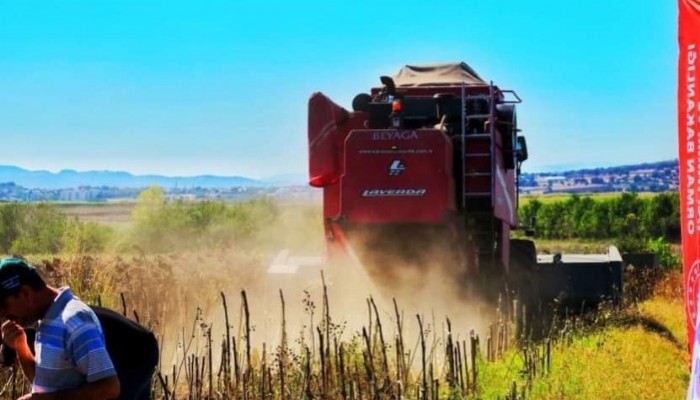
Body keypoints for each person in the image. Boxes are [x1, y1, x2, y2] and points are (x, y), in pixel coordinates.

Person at [0, 257, 156, 399]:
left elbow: (108, 388)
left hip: (136, 353)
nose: (3, 315)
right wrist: (21, 347)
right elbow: (44, 382)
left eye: (4, 306)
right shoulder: (46, 321)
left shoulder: (73, 320)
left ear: (26, 294)